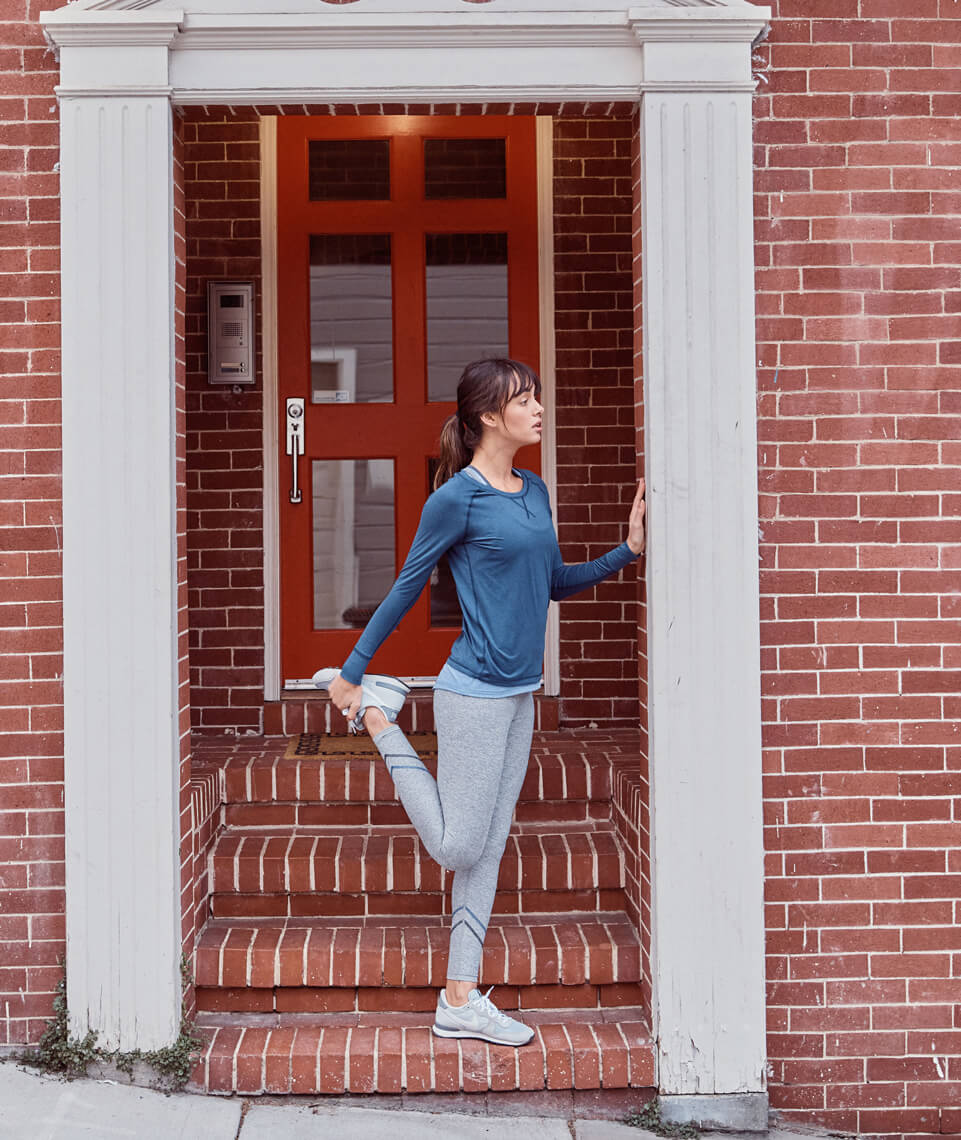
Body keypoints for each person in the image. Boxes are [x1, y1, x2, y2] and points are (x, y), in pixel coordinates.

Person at [313, 357, 646, 1048]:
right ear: (488, 417)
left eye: (537, 398)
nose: (538, 408)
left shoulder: (533, 491)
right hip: (471, 693)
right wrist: (352, 671)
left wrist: (625, 551)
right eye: (524, 400)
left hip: (519, 695)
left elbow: (551, 581)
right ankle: (377, 714)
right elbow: (408, 583)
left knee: (486, 850)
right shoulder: (456, 498)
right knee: (457, 843)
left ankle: (458, 998)